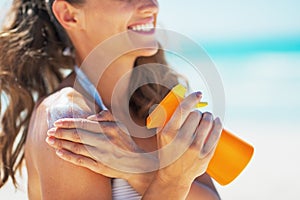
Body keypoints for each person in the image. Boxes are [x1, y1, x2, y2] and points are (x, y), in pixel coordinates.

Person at [0, 0, 223, 199]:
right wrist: (171, 180)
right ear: (70, 15)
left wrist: (138, 167)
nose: (151, 6)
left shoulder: (155, 99)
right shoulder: (68, 118)